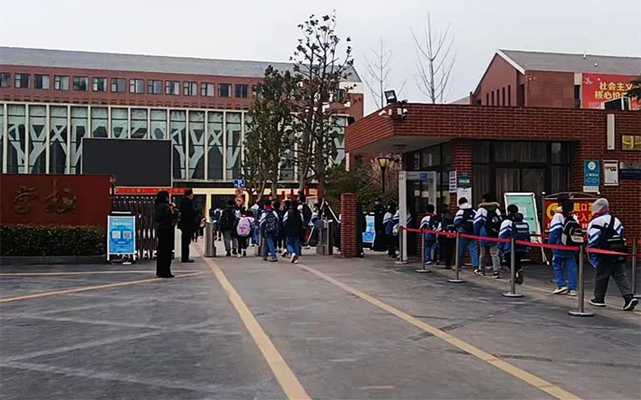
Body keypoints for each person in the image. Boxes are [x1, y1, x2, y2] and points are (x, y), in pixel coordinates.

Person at [587, 198, 638, 311]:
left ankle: (599, 298)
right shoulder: (616, 220)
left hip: (604, 253)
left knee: (601, 275)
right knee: (620, 275)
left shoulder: (596, 221)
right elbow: (622, 236)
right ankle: (629, 297)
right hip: (618, 252)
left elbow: (593, 239)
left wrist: (592, 254)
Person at [548, 198, 578, 295]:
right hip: (572, 245)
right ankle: (573, 288)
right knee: (571, 266)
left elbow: (555, 231)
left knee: (557, 264)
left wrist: (550, 243)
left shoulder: (558, 216)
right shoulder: (574, 217)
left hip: (559, 245)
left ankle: (561, 284)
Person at [499, 204, 531, 284]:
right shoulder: (522, 221)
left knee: (509, 262)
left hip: (510, 246)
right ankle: (516, 275)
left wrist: (500, 245)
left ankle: (516, 274)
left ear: (508, 211)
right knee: (517, 261)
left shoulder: (507, 222)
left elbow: (502, 234)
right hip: (521, 246)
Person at [474, 193, 503, 278]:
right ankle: (496, 271)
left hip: (484, 234)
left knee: (482, 253)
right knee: (495, 254)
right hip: (495, 234)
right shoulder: (496, 209)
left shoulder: (481, 210)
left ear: (484, 200)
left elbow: (477, 223)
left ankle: (481, 270)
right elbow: (500, 221)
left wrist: (476, 234)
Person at [154, 190, 178, 278]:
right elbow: (173, 215)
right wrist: (173, 208)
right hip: (167, 230)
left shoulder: (157, 206)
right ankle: (166, 271)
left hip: (160, 230)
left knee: (161, 251)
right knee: (167, 252)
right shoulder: (166, 207)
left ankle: (160, 271)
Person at [454, 197, 479, 271]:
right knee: (473, 249)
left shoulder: (460, 211)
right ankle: (475, 265)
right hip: (473, 233)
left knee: (460, 249)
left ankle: (458, 264)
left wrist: (459, 229)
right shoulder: (473, 211)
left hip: (463, 233)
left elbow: (456, 222)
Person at [178, 189, 197, 263]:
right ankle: (185, 257)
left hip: (183, 224)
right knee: (186, 241)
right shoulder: (188, 202)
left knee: (184, 241)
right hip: (187, 224)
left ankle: (184, 256)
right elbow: (189, 213)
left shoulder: (182, 201)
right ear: (190, 194)